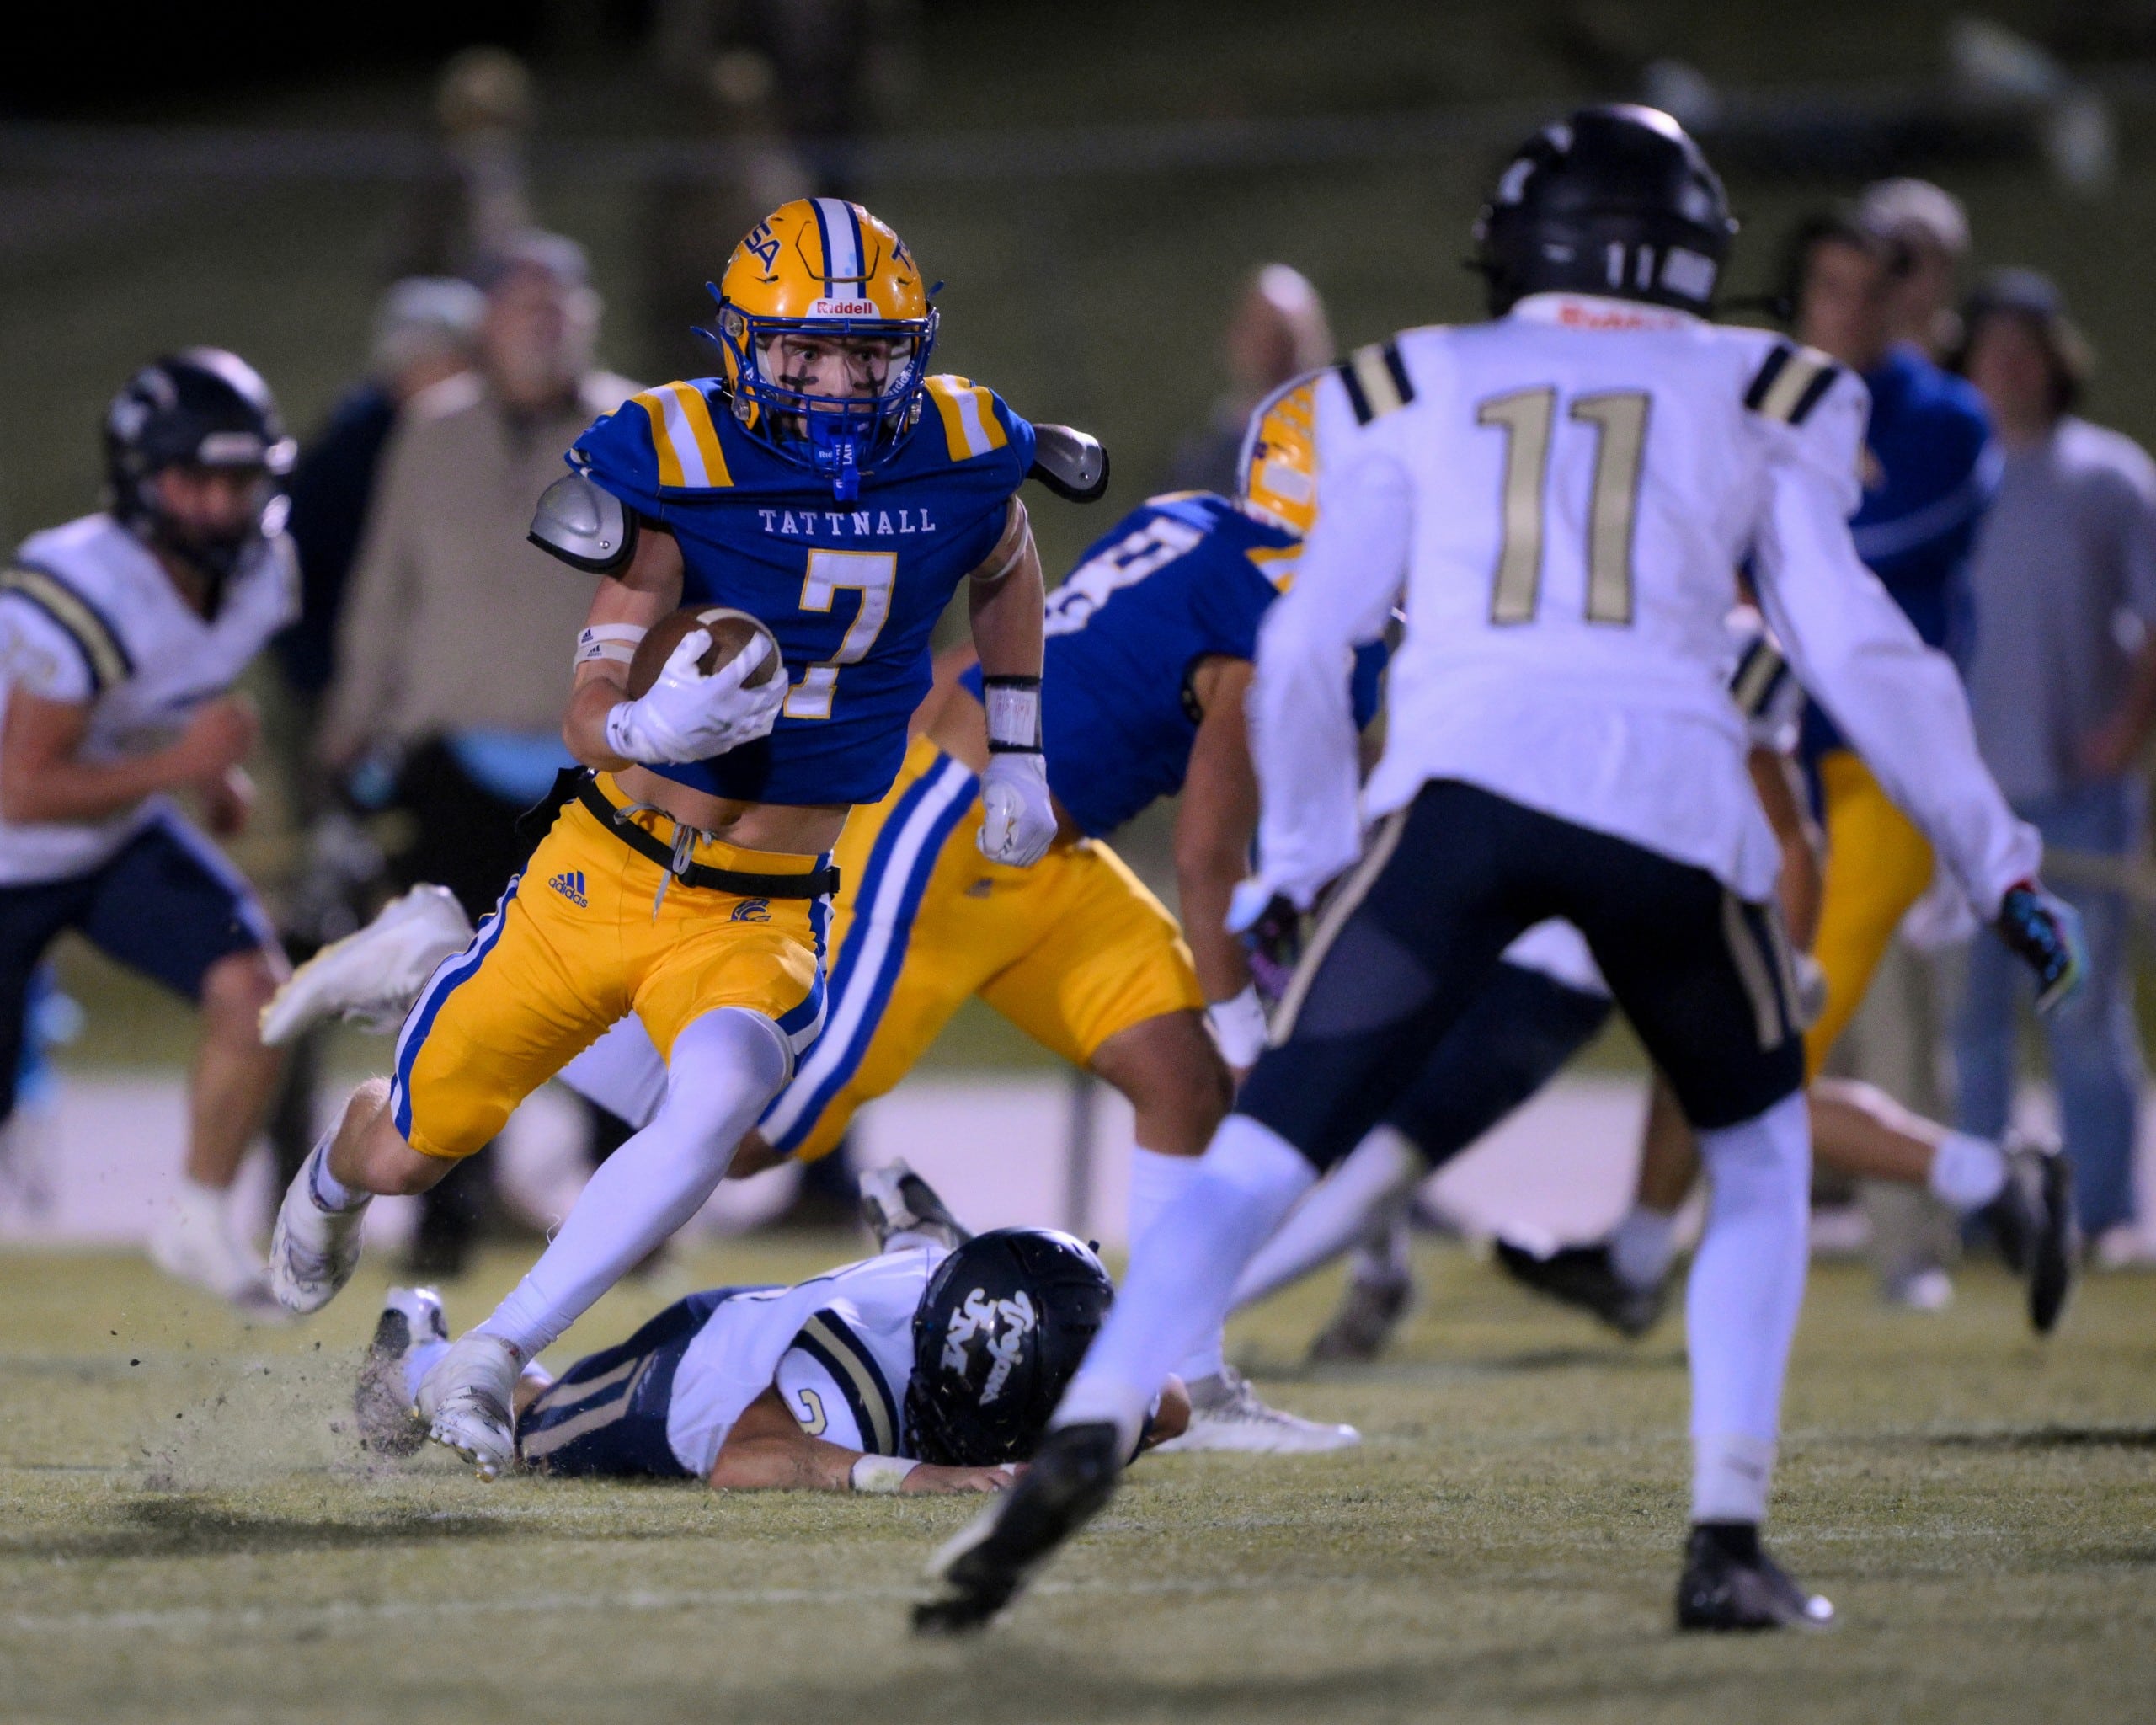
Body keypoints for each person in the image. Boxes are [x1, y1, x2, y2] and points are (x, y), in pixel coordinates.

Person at [915, 106, 2082, 1637]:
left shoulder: (1412, 380)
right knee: (1757, 1153)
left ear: (1524, 247)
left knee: (1270, 1138)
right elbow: (1860, 642)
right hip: (1673, 801)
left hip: (1464, 795)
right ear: (1686, 247)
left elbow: (1314, 641)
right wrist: (1997, 855)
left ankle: (1094, 1422)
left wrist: (1309, 862)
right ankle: (1726, 1533)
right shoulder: (1766, 384)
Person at [267, 379, 1377, 1454]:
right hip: (941, 818)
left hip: (1040, 835)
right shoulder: (1270, 605)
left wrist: (1030, 765)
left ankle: (1197, 1379)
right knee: (748, 1140)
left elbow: (1018, 570)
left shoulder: (1197, 523)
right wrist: (1246, 1007)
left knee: (1178, 1075)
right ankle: (455, 970)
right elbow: (1209, 850)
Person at [267, 197, 1059, 1484]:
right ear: (749, 345)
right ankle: (345, 1156)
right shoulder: (672, 449)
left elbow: (1009, 558)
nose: (840, 381)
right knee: (411, 1149)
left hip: (761, 904)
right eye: (805, 350)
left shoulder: (963, 442)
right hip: (601, 872)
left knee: (727, 1104)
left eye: (868, 353)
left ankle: (495, 1351)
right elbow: (585, 716)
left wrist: (1019, 743)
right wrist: (651, 716)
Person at [0, 350, 299, 1310]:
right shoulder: (81, 585)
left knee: (255, 990)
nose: (218, 503)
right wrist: (186, 764)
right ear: (141, 479)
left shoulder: (262, 571)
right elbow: (23, 789)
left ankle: (200, 1218)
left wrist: (213, 770)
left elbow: (162, 698)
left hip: (112, 834)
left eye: (237, 478)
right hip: (12, 845)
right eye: (194, 479)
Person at [354, 1162, 1187, 1490]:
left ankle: (922, 1241)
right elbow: (742, 1458)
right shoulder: (844, 1376)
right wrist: (909, 1476)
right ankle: (415, 1348)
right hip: (700, 1375)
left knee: (937, 1274)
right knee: (531, 1432)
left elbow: (1170, 1403)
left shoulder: (976, 1330)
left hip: (839, 1306)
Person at [1953, 270, 2156, 1260]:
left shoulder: (2106, 475)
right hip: (1963, 801)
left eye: (2025, 347)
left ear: (2054, 358)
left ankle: (2104, 1211)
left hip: (2074, 801)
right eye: (1991, 348)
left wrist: (2124, 730)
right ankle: (1985, 1214)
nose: (2009, 366)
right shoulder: (1952, 469)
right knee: (1972, 1025)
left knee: (2079, 1011)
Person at [276, 278, 484, 711]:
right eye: (426, 361)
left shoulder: (495, 439)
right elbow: (304, 576)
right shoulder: (345, 458)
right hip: (360, 682)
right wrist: (326, 683)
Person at [1163, 265, 1331, 495]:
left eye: (1282, 336)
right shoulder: (1202, 459)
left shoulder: (1344, 448)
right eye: (1258, 329)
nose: (1268, 347)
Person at [1856, 178, 1972, 360]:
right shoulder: (1835, 360)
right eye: (1902, 262)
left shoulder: (1972, 357)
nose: (1918, 282)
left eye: (1936, 263)